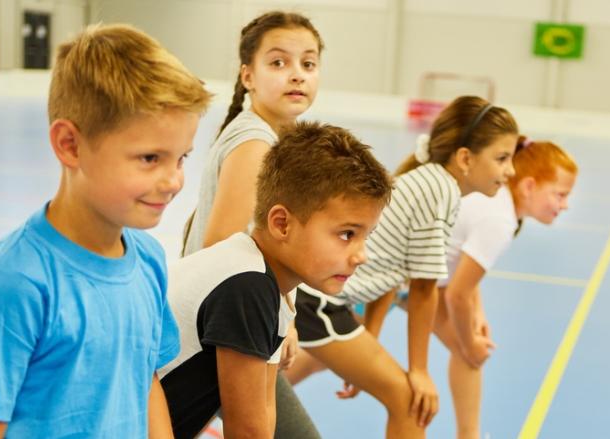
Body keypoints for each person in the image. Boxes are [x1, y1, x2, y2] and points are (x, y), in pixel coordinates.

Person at [0, 24, 211, 438]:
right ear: (70, 145)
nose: (174, 180)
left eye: (181, 158)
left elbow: (146, 381)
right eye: (150, 158)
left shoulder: (149, 260)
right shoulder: (14, 282)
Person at [285, 96, 519, 438]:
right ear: (465, 158)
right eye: (502, 158)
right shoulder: (439, 192)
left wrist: (370, 343)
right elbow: (424, 290)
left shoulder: (433, 184)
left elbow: (391, 279)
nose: (510, 171)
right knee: (411, 400)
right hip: (316, 303)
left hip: (322, 303)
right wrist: (419, 371)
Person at [159, 121, 391, 438]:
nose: (360, 255)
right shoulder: (247, 286)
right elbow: (248, 432)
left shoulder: (273, 290)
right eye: (347, 234)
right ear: (282, 224)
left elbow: (265, 416)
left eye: (366, 236)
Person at [179, 11, 324, 438]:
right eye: (278, 63)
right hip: (227, 330)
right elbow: (221, 248)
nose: (296, 75)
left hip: (237, 321)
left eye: (308, 64)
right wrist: (279, 319)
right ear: (248, 76)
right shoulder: (255, 143)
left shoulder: (268, 137)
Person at [399, 137, 578, 439]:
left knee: (469, 350)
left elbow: (463, 265)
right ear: (529, 186)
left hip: (420, 280)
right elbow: (457, 294)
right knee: (469, 350)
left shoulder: (500, 203)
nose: (565, 204)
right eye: (559, 195)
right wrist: (469, 341)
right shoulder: (500, 219)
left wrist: (476, 315)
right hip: (401, 283)